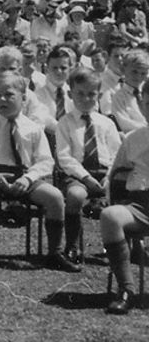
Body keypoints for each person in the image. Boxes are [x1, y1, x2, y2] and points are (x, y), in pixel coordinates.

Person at [0, 71, 80, 273]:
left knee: (55, 197)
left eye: (8, 95)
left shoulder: (33, 129)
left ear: (23, 99)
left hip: (25, 177)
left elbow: (45, 161)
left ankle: (54, 253)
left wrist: (28, 178)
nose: (2, 100)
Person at [55, 67, 121, 262]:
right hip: (77, 176)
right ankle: (73, 246)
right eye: (80, 94)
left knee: (121, 194)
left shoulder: (106, 123)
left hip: (106, 173)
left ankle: (117, 246)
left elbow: (117, 153)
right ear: (70, 94)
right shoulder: (64, 123)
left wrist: (110, 175)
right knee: (76, 196)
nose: (86, 99)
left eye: (91, 94)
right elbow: (65, 157)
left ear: (99, 95)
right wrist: (86, 178)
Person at [99, 111, 149, 314]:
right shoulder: (133, 138)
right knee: (110, 216)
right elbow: (116, 171)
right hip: (141, 204)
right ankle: (126, 290)